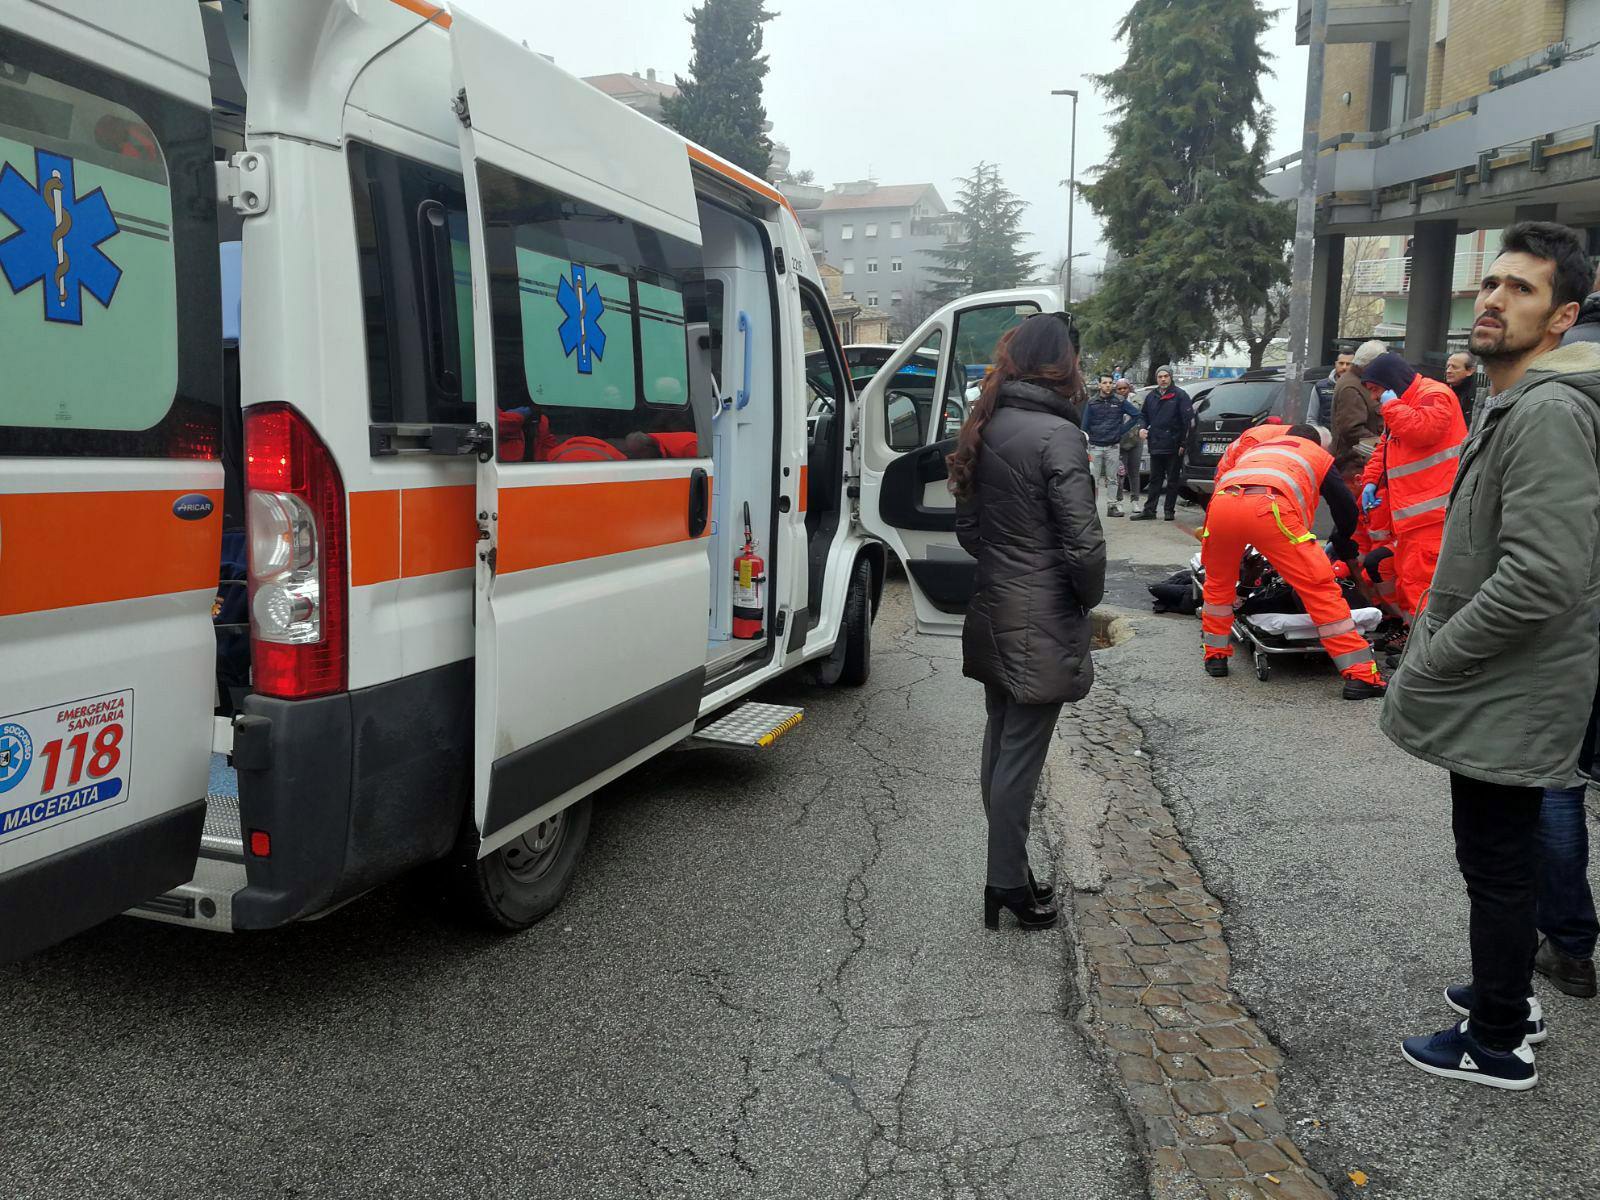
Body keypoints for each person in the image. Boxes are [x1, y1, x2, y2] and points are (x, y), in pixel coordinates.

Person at [1383, 221, 1600, 1090]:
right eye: (1491, 283)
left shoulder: (1546, 410)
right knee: (1499, 857)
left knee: (1498, 862)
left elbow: (1543, 575)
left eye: (1521, 290)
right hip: (1504, 679)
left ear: (1561, 318)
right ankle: (1509, 992)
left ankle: (1498, 1041)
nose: (1494, 299)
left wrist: (1437, 655)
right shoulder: (1511, 397)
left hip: (1509, 681)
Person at [951, 314, 1106, 933]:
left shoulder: (986, 422)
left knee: (1001, 741)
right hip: (1042, 612)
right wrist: (1085, 599)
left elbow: (967, 528)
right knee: (1019, 755)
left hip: (995, 602)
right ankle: (1006, 882)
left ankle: (1008, 869)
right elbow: (1084, 545)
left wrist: (1006, 564)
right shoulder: (1056, 435)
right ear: (1061, 364)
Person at [1198, 423, 1384, 698]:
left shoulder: (1260, 448)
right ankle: (1360, 676)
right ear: (1317, 443)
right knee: (1318, 589)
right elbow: (1343, 503)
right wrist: (1343, 538)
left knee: (1218, 584)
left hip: (1222, 506)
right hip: (1270, 510)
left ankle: (1215, 657)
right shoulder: (1317, 455)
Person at [1355, 352, 1467, 623]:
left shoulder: (1435, 395)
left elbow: (1423, 431)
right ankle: (1413, 640)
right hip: (1414, 515)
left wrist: (1391, 406)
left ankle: (1424, 649)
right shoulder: (1405, 402)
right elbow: (1385, 447)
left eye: (1375, 389)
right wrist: (1370, 480)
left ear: (1391, 382)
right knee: (1409, 582)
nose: (1373, 398)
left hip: (1433, 514)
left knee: (1421, 586)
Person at [1129, 366, 1193, 522]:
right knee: (1155, 479)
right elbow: (1143, 415)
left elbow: (1188, 421)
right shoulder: (1151, 396)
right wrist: (1142, 428)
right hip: (1156, 444)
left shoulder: (1180, 395)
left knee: (1172, 479)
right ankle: (1149, 510)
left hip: (1174, 445)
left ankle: (1169, 511)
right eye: (1160, 376)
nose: (1163, 379)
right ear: (1156, 379)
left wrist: (1183, 443)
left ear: (1170, 377)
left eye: (1165, 376)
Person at [1083, 373, 1143, 517]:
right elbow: (1084, 426)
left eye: (1110, 382)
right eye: (1104, 383)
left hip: (1113, 446)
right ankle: (1091, 509)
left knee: (1113, 479)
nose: (1107, 385)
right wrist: (1086, 441)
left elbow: (1136, 415)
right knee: (1093, 479)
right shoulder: (1091, 403)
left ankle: (1112, 506)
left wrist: (1121, 430)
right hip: (1095, 446)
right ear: (1099, 385)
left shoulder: (1120, 401)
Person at [1331, 340, 1386, 491]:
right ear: (1371, 364)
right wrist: (1384, 445)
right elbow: (1352, 430)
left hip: (1360, 464)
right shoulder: (1352, 387)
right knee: (1357, 513)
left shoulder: (1360, 382)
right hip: (1354, 466)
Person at [1114, 378, 1144, 508]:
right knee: (1120, 473)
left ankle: (1135, 501)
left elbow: (1141, 416)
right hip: (1119, 442)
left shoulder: (1137, 399)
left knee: (1134, 472)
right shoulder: (1113, 402)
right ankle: (1118, 500)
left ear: (1129, 388)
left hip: (1135, 439)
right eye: (1119, 389)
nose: (1122, 391)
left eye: (1124, 388)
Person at [1312, 349, 1354, 426]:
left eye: (1348, 364)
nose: (1344, 367)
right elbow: (1311, 419)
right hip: (1326, 435)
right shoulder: (1320, 386)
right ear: (1335, 364)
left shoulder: (1361, 386)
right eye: (1341, 363)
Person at [1444, 350, 1479, 426]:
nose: (1448, 371)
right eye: (1448, 366)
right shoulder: (1441, 391)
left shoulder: (1477, 399)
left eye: (1454, 367)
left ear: (1470, 371)